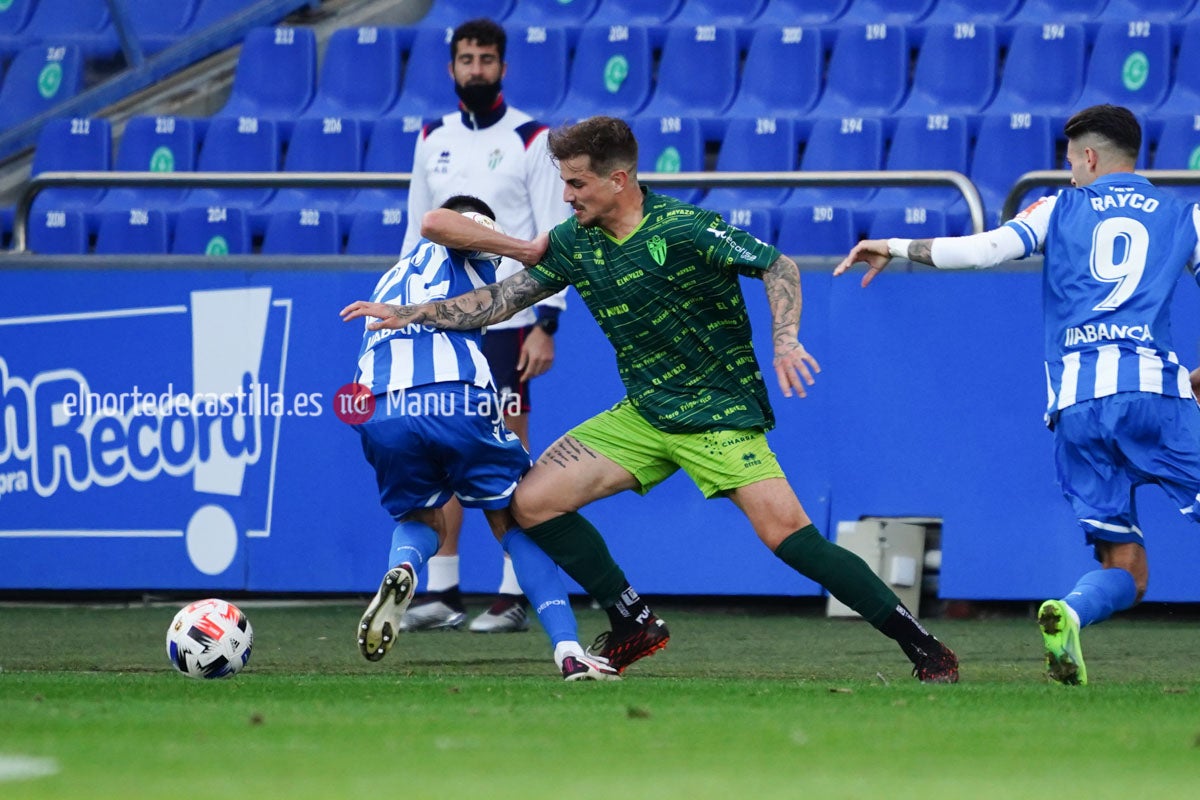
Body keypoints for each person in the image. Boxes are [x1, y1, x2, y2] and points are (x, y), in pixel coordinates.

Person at [343, 116, 960, 682]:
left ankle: (922, 645)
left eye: (577, 183)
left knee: (788, 535)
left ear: (618, 180)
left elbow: (779, 268)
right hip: (642, 413)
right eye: (564, 182)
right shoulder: (574, 241)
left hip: (718, 414)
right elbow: (503, 300)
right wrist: (411, 312)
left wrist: (785, 338)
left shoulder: (687, 228)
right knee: (531, 502)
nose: (567, 196)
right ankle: (634, 620)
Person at [835, 104, 1200, 685]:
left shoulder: (1057, 209)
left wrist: (896, 245)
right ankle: (1072, 617)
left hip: (1077, 409)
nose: (1069, 173)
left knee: (1124, 566)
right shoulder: (1186, 217)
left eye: (1070, 162)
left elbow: (981, 251)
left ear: (1087, 156)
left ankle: (1072, 613)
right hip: (1157, 395)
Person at [349, 194, 617, 682]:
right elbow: (438, 221)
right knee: (516, 516)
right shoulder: (466, 234)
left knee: (422, 517)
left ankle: (405, 570)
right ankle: (569, 649)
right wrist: (518, 246)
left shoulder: (394, 275)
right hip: (452, 395)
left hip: (378, 406)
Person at [399, 17, 570, 634]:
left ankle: (512, 593)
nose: (477, 69)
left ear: (503, 66)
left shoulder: (531, 139)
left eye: (487, 59)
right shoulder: (431, 137)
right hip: (442, 321)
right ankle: (440, 591)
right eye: (466, 59)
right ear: (451, 68)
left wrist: (547, 323)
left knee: (505, 450)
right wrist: (401, 307)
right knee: (438, 445)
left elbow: (554, 235)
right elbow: (414, 230)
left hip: (509, 320)